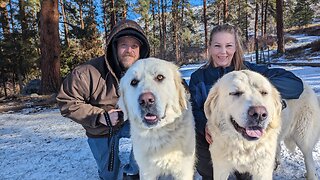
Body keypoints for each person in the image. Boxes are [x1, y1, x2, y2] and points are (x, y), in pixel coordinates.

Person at [188, 24, 303, 180]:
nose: (223, 52)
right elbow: (194, 109)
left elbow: (295, 85)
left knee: (248, 176)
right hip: (214, 137)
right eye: (217, 46)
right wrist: (204, 126)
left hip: (249, 139)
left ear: (236, 47)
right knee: (209, 172)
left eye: (229, 46)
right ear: (209, 48)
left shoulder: (253, 73)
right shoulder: (198, 77)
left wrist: (264, 89)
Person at [56, 19, 150, 180]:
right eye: (124, 45)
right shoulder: (86, 72)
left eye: (134, 46)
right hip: (101, 127)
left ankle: (136, 170)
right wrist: (99, 116)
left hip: (134, 122)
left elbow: (173, 85)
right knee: (109, 176)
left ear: (141, 50)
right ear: (114, 47)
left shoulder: (149, 70)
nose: (129, 50)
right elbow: (67, 101)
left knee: (153, 128)